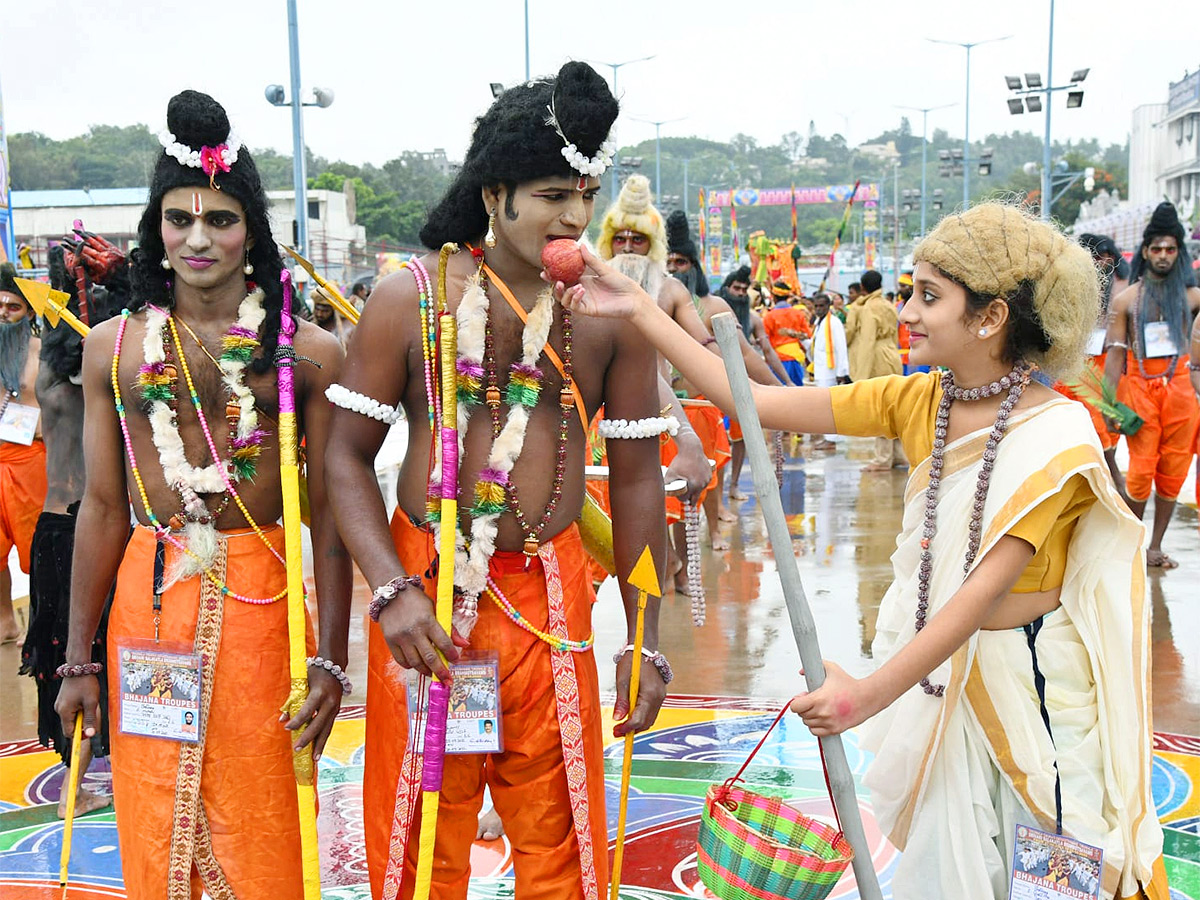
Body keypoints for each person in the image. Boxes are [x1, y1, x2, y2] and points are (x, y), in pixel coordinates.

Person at [555, 202, 1166, 900]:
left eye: (928, 297)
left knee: (1053, 878)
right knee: (949, 879)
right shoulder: (915, 399)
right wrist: (635, 303)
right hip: (943, 688)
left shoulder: (1059, 436)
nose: (906, 312)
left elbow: (978, 597)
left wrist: (864, 699)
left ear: (991, 318)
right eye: (909, 290)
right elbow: (746, 399)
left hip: (1038, 694)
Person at [324, 62, 669, 900]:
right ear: (494, 194)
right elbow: (342, 457)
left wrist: (648, 634)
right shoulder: (411, 300)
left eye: (587, 191)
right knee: (416, 849)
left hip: (553, 609)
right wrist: (391, 591)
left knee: (565, 853)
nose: (577, 216)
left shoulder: (609, 310)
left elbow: (635, 482)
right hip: (426, 602)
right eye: (555, 193)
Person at [54, 90, 352, 898]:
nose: (198, 238)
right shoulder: (113, 351)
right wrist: (76, 658)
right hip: (149, 607)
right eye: (178, 219)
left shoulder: (307, 354)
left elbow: (326, 514)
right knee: (155, 820)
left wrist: (330, 655)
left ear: (250, 229)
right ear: (156, 228)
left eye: (219, 219)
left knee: (264, 823)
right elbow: (105, 510)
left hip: (268, 605)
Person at [19, 237, 126, 818]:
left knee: (63, 648)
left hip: (51, 528)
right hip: (94, 528)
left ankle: (75, 775)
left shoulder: (45, 374)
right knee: (90, 651)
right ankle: (80, 782)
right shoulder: (99, 375)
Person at [596, 177, 716, 565]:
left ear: (653, 245)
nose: (628, 248)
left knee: (672, 508)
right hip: (598, 421)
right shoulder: (588, 289)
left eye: (638, 240)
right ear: (608, 242)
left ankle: (677, 571)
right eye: (621, 239)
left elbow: (703, 348)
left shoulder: (670, 290)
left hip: (663, 416)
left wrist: (747, 387)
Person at [1103, 201, 1200, 569]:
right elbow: (1114, 356)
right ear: (1145, 252)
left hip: (1181, 395)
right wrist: (1109, 406)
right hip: (1139, 390)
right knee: (1141, 471)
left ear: (1179, 252)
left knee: (1174, 470)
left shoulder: (1193, 299)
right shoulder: (1127, 301)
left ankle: (1154, 546)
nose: (1163, 256)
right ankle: (1134, 541)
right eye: (1156, 249)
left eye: (1170, 249)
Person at [0, 263, 46, 644]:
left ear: (28, 312)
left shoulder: (40, 351)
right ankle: (5, 620)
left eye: (12, 307)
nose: (3, 313)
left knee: (36, 549)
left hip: (30, 459)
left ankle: (36, 622)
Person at [845, 269, 904, 470]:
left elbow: (868, 340)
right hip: (892, 353)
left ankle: (882, 458)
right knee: (893, 405)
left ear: (862, 288)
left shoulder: (869, 308)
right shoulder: (888, 305)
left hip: (877, 355)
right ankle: (897, 455)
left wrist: (860, 377)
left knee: (880, 408)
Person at [804, 292, 850, 450]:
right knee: (825, 406)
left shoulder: (834, 322)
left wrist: (841, 372)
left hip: (832, 372)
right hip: (822, 370)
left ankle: (832, 440)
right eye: (816, 306)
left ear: (828, 306)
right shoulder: (819, 323)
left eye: (821, 306)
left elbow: (841, 348)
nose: (818, 309)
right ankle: (829, 437)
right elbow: (815, 345)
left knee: (831, 407)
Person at [761, 281, 811, 386]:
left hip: (777, 359)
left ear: (773, 297)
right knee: (797, 389)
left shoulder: (769, 316)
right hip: (796, 356)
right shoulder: (798, 314)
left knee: (780, 390)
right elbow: (807, 335)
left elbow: (765, 340)